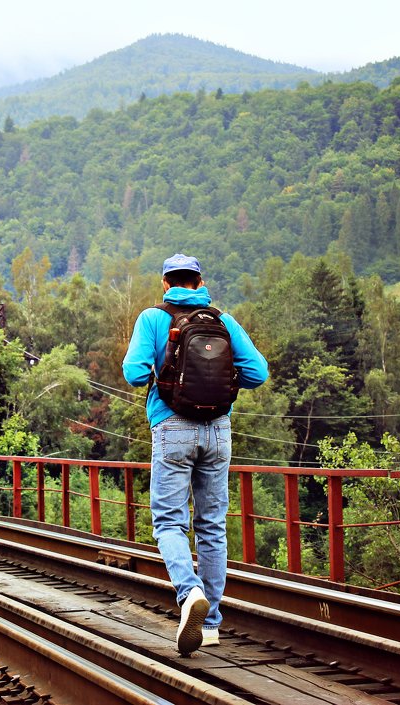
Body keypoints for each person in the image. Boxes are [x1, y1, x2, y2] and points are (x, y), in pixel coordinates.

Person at [122, 253, 269, 655]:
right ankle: (212, 624)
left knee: (169, 522)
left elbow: (133, 373)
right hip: (218, 431)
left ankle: (189, 594)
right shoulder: (223, 320)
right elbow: (259, 372)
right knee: (212, 526)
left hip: (171, 427)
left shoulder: (152, 318)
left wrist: (161, 375)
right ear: (199, 281)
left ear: (166, 282)